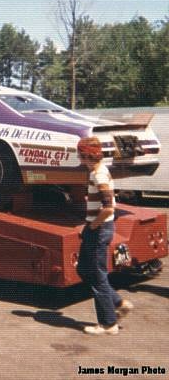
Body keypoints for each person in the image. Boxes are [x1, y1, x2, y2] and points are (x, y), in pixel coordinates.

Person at [76, 137, 133, 335]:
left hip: (98, 229)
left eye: (79, 154)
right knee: (84, 269)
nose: (78, 157)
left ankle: (108, 324)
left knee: (97, 274)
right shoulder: (97, 171)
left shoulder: (98, 174)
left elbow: (109, 208)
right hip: (96, 228)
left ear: (86, 155)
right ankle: (118, 302)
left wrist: (93, 226)